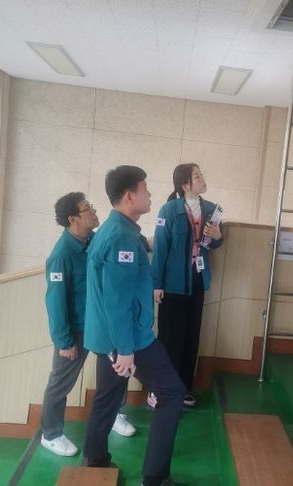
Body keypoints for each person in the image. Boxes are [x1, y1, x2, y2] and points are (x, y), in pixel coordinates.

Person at [83, 166, 186, 486]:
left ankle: (95, 462)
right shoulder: (121, 239)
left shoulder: (117, 230)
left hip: (110, 338)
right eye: (145, 188)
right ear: (129, 196)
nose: (150, 194)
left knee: (107, 398)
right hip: (131, 340)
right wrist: (125, 350)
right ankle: (155, 478)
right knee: (171, 394)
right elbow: (117, 301)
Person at [40, 192, 136, 458]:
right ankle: (51, 434)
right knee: (60, 382)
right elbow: (55, 302)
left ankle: (114, 413)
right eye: (87, 208)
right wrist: (64, 341)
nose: (94, 211)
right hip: (77, 330)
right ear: (73, 219)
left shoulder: (93, 239)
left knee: (117, 371)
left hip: (101, 322)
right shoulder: (61, 255)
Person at [149, 163, 223, 409]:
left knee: (192, 337)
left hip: (198, 282)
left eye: (201, 175)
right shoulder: (169, 210)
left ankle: (183, 389)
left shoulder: (211, 209)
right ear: (185, 184)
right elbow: (160, 250)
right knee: (169, 338)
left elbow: (213, 244)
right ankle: (160, 390)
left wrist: (218, 237)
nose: (202, 179)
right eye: (197, 176)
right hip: (172, 285)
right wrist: (156, 283)